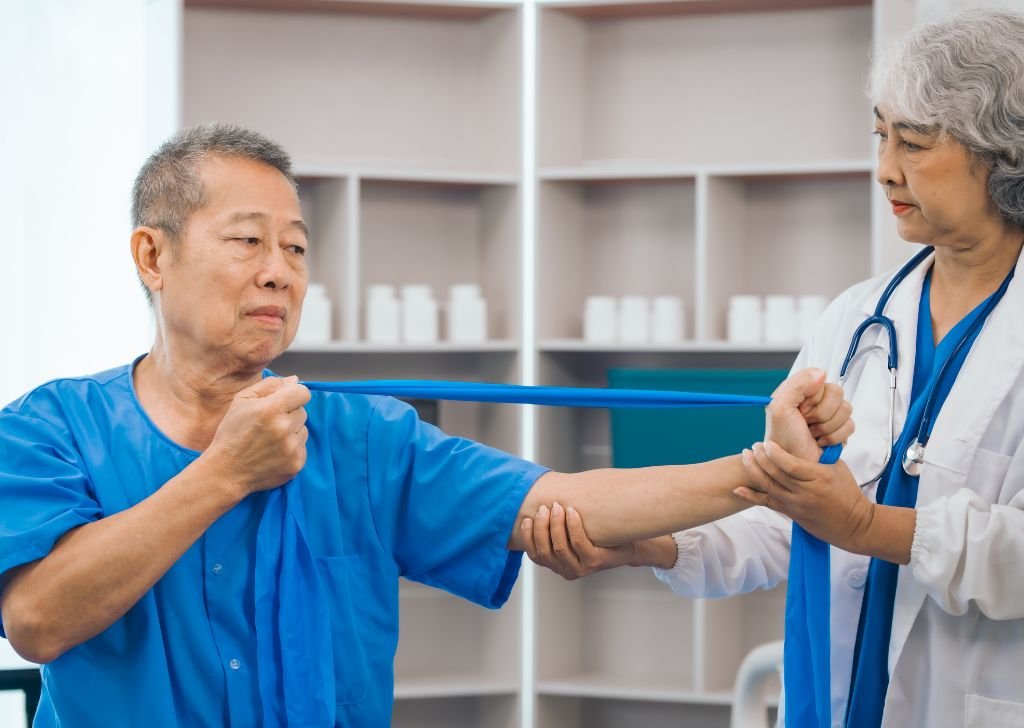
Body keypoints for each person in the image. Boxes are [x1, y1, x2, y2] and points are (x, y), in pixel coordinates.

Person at [0, 124, 851, 728]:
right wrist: (224, 474)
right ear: (153, 256)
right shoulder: (50, 428)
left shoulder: (367, 438)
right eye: (247, 241)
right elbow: (38, 619)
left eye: (296, 249)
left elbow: (571, 502)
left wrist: (771, 467)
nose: (278, 274)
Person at [525, 9, 1024, 728]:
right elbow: (791, 519)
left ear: (1003, 153)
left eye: (913, 143)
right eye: (881, 136)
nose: (885, 168)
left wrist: (866, 523)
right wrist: (644, 545)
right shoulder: (858, 321)